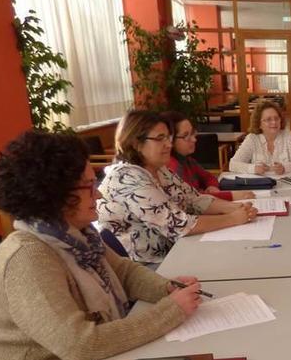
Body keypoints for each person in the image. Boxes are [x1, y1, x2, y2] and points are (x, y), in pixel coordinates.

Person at [0, 130, 202, 360]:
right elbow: (81, 345)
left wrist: (167, 288)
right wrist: (171, 310)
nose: (97, 193)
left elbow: (122, 271)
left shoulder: (74, 235)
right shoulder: (27, 258)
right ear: (56, 195)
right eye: (88, 184)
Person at [98, 110, 257, 264]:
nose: (169, 144)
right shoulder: (127, 178)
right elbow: (178, 225)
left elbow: (193, 199)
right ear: (136, 143)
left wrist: (236, 208)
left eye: (169, 137)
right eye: (160, 138)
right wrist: (232, 218)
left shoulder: (159, 169)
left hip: (175, 251)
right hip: (144, 265)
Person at [161, 110, 254, 201]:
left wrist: (212, 186)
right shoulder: (171, 167)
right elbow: (193, 198)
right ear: (170, 139)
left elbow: (209, 177)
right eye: (186, 135)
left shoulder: (187, 160)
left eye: (192, 133)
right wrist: (232, 195)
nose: (194, 139)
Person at [228, 101, 291, 175]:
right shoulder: (252, 138)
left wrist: (284, 168)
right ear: (259, 124)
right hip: (260, 185)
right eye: (268, 119)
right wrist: (253, 168)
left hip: (284, 183)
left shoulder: (287, 135)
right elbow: (233, 164)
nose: (274, 122)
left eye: (276, 118)